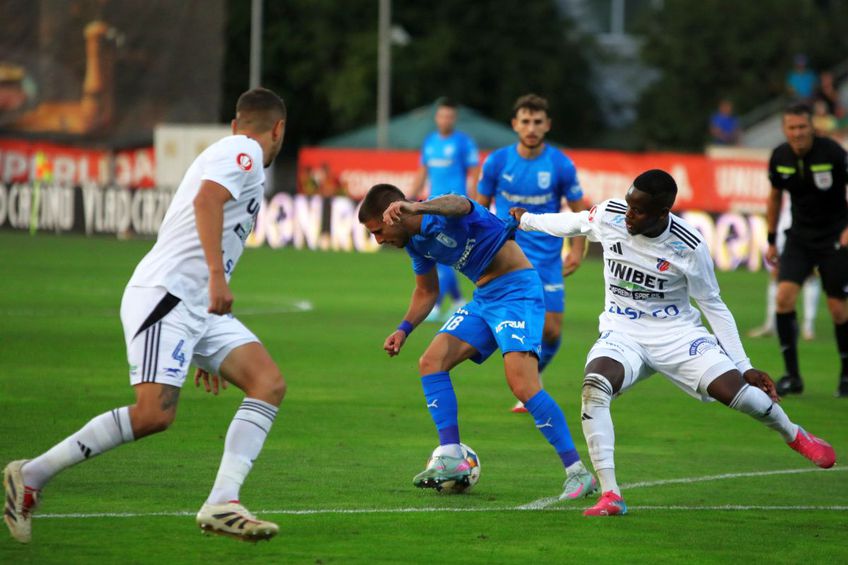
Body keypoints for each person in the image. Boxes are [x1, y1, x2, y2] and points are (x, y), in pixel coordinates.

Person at [3, 87, 288, 543]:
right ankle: (31, 475)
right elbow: (206, 202)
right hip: (167, 296)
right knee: (153, 414)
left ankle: (223, 502)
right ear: (278, 129)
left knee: (267, 383)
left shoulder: (235, 147)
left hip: (195, 308)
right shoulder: (245, 151)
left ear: (236, 122)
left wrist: (199, 340)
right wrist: (218, 277)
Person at [510, 169, 836, 517]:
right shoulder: (610, 215)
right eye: (629, 204)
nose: (628, 215)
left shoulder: (688, 244)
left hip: (678, 335)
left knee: (738, 395)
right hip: (623, 332)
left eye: (638, 210)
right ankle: (610, 495)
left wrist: (745, 366)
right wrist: (526, 220)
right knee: (594, 388)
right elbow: (572, 223)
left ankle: (794, 434)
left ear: (663, 213)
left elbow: (713, 304)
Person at [357, 184, 597, 501]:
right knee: (431, 362)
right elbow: (426, 291)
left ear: (395, 214)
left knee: (522, 385)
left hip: (517, 292)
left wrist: (417, 206)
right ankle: (453, 456)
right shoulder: (415, 244)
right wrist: (404, 329)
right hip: (484, 298)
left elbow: (460, 203)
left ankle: (578, 472)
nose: (379, 240)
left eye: (377, 231)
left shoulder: (442, 213)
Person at [476, 94, 588, 413]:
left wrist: (577, 250)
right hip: (507, 256)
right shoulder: (497, 162)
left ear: (547, 125)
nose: (531, 127)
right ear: (514, 125)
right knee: (501, 323)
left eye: (538, 122)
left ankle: (531, 378)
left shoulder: (560, 164)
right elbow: (478, 209)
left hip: (547, 258)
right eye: (525, 121)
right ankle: (526, 385)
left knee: (552, 331)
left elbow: (580, 212)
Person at [766, 103, 848, 397]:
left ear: (812, 127)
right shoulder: (780, 156)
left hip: (835, 237)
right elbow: (774, 197)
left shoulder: (833, 153)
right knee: (784, 298)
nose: (798, 133)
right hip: (799, 238)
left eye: (803, 127)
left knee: (838, 309)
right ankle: (792, 376)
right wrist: (772, 239)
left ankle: (846, 376)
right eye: (792, 128)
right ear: (784, 130)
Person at [410, 98, 481, 323]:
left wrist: (476, 200)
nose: (445, 120)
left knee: (443, 253)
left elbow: (475, 171)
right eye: (442, 116)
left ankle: (442, 303)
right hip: (432, 205)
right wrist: (411, 196)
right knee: (440, 253)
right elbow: (423, 170)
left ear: (455, 118)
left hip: (455, 206)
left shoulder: (463, 142)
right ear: (436, 118)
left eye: (449, 116)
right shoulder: (430, 141)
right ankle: (456, 301)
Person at [748, 193, 821, 341]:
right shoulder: (787, 171)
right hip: (786, 222)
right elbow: (775, 194)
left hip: (815, 224)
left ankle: (808, 326)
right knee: (776, 272)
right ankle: (771, 324)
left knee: (811, 274)